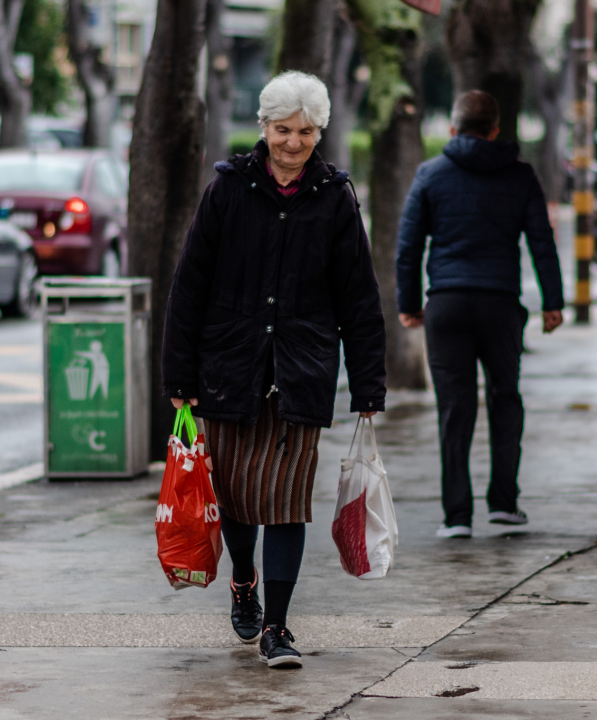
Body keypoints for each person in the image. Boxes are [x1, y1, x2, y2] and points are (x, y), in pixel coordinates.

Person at [162, 71, 387, 668]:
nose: (293, 143)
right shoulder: (228, 189)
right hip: (229, 368)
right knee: (238, 499)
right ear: (263, 128)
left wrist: (368, 384)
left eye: (306, 132)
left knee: (287, 500)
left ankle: (278, 628)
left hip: (301, 370)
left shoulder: (335, 196)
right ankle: (244, 578)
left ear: (320, 133)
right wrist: (179, 378)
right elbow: (189, 285)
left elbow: (359, 297)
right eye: (283, 130)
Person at [395, 90, 564, 539]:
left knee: (455, 407)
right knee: (506, 398)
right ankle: (504, 504)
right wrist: (553, 301)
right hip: (500, 304)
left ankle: (456, 516)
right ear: (494, 131)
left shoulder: (430, 173)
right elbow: (541, 241)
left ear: (453, 129)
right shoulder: (520, 175)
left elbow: (409, 247)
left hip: (447, 303)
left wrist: (408, 304)